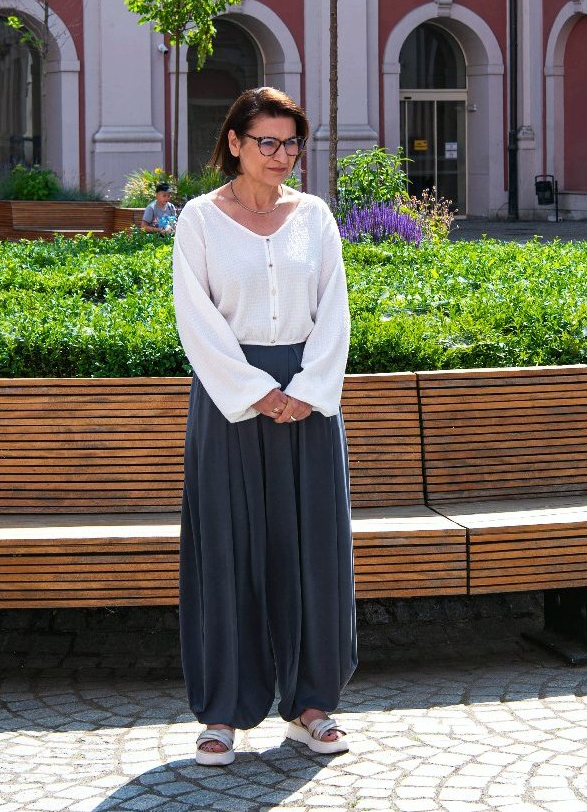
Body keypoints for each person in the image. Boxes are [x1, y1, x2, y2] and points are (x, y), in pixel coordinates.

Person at [171, 86, 356, 767]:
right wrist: (256, 393)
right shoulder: (199, 219)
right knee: (227, 554)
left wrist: (306, 391)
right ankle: (222, 711)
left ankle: (313, 707)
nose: (283, 155)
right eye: (268, 142)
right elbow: (196, 318)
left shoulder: (315, 216)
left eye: (291, 142)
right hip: (229, 402)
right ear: (235, 144)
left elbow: (333, 309)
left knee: (313, 554)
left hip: (310, 404)